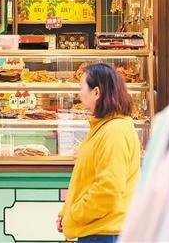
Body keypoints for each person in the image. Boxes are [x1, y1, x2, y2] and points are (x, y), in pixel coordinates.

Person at [56, 63, 142, 243]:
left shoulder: (115, 131)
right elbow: (88, 179)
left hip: (105, 233)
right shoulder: (104, 127)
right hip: (98, 230)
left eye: (81, 87)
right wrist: (66, 212)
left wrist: (73, 213)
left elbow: (108, 191)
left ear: (96, 92)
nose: (79, 93)